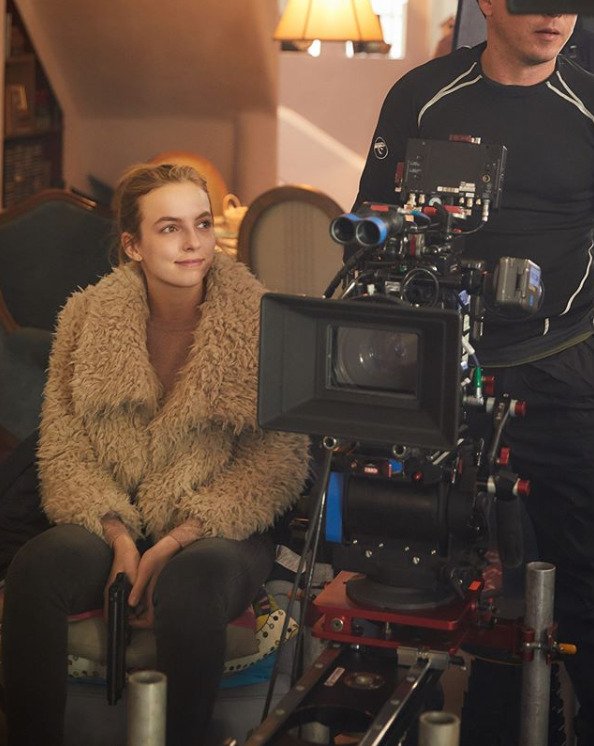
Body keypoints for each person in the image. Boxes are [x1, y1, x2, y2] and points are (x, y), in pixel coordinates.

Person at [1, 163, 310, 746]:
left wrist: (173, 541)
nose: (194, 243)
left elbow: (275, 465)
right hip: (114, 514)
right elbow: (64, 449)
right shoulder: (86, 317)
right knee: (36, 568)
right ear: (132, 245)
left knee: (190, 586)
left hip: (218, 526)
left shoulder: (264, 318)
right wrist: (120, 537)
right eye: (170, 228)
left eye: (201, 224)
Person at [354, 1, 594, 743]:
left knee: (582, 574)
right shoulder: (423, 96)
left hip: (559, 371)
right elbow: (367, 224)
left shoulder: (587, 104)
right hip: (442, 373)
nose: (553, 15)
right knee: (452, 577)